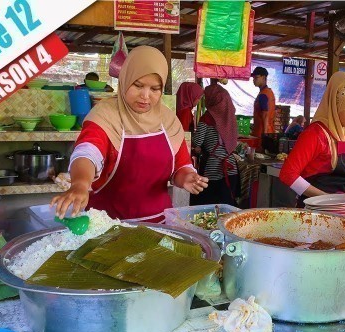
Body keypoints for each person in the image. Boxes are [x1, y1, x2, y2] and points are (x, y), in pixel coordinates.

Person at [51, 46, 208, 222]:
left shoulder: (169, 120)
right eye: (138, 85)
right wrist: (79, 183)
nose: (145, 96)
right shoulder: (106, 114)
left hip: (159, 223)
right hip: (106, 225)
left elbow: (180, 166)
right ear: (125, 79)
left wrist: (187, 177)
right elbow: (87, 152)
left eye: (155, 89)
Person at [279, 71, 345, 207]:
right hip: (314, 210)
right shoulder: (315, 134)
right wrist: (327, 199)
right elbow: (288, 174)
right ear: (335, 105)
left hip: (344, 208)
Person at [191, 84, 239, 206]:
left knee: (209, 207)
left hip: (212, 169)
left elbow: (197, 141)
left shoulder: (207, 118)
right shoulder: (230, 116)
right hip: (231, 167)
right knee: (227, 207)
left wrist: (197, 147)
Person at [250, 66, 276, 140]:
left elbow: (265, 115)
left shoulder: (263, 95)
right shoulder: (269, 92)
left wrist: (264, 135)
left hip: (262, 133)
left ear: (264, 77)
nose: (254, 80)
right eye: (253, 78)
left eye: (256, 77)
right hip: (269, 131)